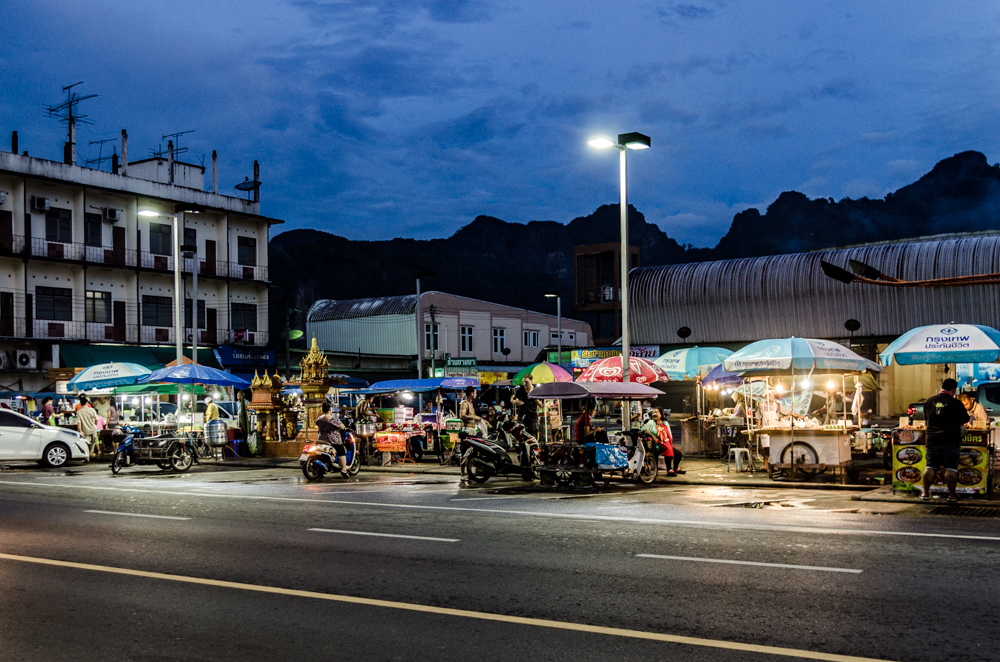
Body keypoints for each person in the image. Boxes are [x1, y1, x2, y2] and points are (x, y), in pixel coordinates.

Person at [921, 378, 969, 503]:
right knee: (951, 469)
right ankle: (952, 496)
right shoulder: (955, 403)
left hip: (932, 439)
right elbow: (965, 418)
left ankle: (924, 493)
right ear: (953, 390)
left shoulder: (929, 401)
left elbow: (927, 419)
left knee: (930, 467)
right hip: (950, 440)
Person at [641, 407, 684, 476]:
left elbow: (669, 434)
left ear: (661, 414)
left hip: (665, 444)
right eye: (653, 412)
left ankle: (675, 468)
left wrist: (668, 443)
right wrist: (652, 436)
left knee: (678, 454)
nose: (654, 414)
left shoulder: (665, 423)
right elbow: (643, 430)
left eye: (656, 412)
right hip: (655, 446)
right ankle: (669, 470)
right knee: (667, 449)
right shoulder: (651, 422)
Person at [316, 401, 349, 478]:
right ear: (330, 409)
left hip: (322, 439)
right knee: (341, 451)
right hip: (333, 440)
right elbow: (343, 427)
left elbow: (317, 424)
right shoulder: (334, 419)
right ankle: (344, 470)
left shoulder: (319, 419)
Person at [458, 386, 482, 482]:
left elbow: (473, 416)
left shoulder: (471, 405)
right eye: (475, 393)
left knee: (471, 455)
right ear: (471, 393)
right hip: (467, 431)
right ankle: (462, 474)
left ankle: (469, 473)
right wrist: (474, 418)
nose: (476, 394)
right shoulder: (465, 404)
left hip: (473, 431)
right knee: (464, 454)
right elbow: (462, 416)